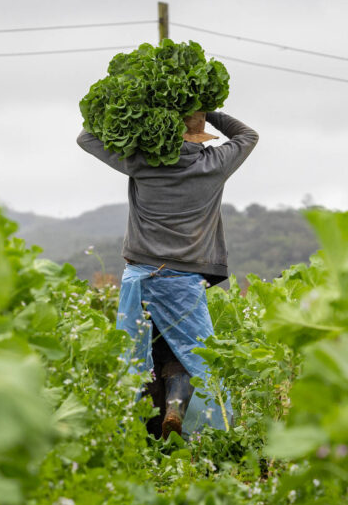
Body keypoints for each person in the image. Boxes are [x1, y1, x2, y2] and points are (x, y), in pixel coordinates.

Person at [77, 110, 259, 439]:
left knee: (136, 353)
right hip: (184, 280)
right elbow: (248, 136)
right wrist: (208, 110)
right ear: (199, 135)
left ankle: (130, 431)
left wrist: (137, 119)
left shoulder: (143, 161)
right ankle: (189, 415)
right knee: (195, 354)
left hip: (139, 276)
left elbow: (86, 137)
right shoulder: (214, 164)